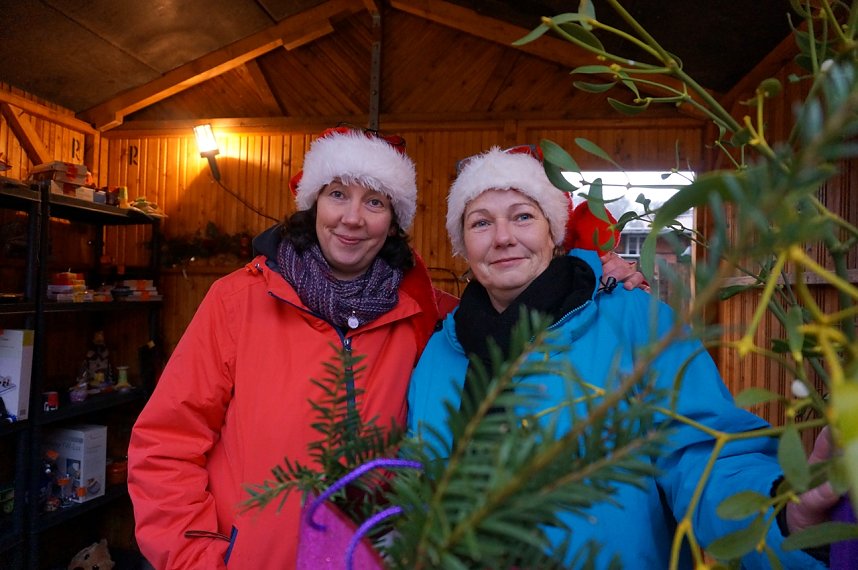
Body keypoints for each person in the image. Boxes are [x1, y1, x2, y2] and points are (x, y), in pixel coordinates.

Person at [127, 128, 644, 570]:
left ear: (393, 220)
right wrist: (197, 559)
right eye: (337, 195)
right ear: (310, 204)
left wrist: (598, 272)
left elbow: (516, 295)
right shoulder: (239, 300)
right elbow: (165, 444)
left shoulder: (433, 320)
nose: (353, 218)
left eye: (374, 201)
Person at [406, 145, 838, 569]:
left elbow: (701, 453)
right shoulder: (441, 352)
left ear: (553, 232)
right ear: (461, 243)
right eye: (481, 223)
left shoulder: (637, 321)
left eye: (522, 216)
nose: (503, 238)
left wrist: (782, 513)